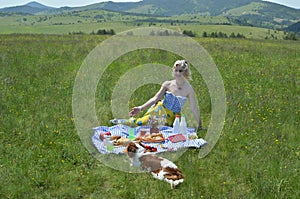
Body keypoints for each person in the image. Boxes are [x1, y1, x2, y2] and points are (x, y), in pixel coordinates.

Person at [129, 60, 202, 130]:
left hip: (173, 117)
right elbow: (155, 98)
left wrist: (199, 124)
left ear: (185, 72)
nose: (178, 73)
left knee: (162, 129)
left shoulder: (189, 88)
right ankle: (123, 121)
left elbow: (194, 107)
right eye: (176, 70)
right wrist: (140, 108)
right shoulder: (168, 84)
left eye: (180, 71)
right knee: (143, 123)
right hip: (160, 110)